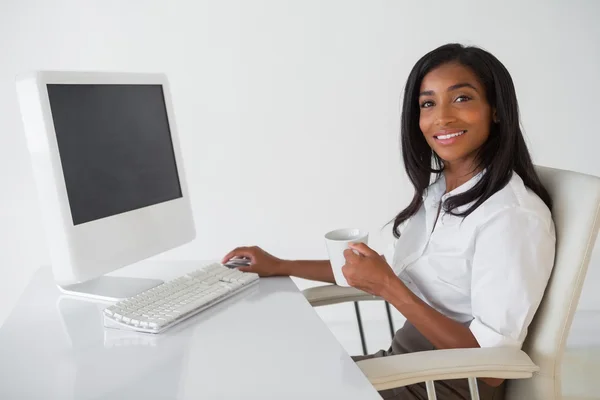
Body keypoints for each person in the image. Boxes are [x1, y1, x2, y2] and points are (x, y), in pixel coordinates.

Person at [221, 43, 556, 400]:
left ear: (496, 111)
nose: (441, 117)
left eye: (461, 99)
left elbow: (491, 369)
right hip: (405, 366)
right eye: (428, 103)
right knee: (261, 374)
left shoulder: (510, 217)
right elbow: (380, 271)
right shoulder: (440, 192)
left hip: (447, 386)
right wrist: (279, 264)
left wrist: (388, 288)